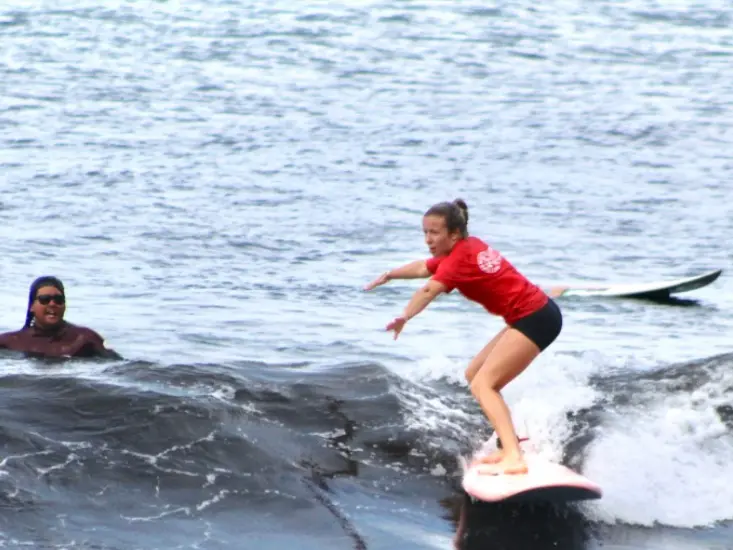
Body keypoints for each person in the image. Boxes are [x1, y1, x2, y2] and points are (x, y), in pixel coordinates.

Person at [364, 199, 562, 475]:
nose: (427, 240)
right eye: (425, 232)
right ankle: (509, 444)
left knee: (484, 385)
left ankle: (514, 457)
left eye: (434, 233)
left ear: (453, 234)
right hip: (535, 313)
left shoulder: (458, 260)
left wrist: (405, 317)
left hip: (536, 318)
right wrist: (390, 275)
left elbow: (427, 290)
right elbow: (423, 267)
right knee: (475, 374)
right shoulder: (466, 246)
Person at [0, 275, 118, 359]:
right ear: (32, 306)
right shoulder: (10, 342)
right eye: (45, 299)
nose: (52, 304)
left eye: (58, 300)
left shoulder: (84, 339)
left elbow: (116, 367)